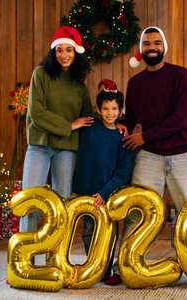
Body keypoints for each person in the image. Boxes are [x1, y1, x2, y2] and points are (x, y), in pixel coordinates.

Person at [105, 26, 187, 286]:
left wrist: (144, 136)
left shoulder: (180, 75)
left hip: (183, 155)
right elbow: (130, 119)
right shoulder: (135, 83)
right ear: (141, 50)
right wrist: (120, 126)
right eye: (147, 44)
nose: (152, 47)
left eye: (157, 43)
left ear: (164, 46)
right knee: (137, 212)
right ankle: (123, 267)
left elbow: (180, 119)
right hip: (149, 157)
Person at [20, 26, 94, 234]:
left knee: (61, 205)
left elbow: (89, 117)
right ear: (53, 52)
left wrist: (115, 121)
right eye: (59, 50)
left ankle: (56, 258)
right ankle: (26, 258)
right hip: (39, 146)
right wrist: (69, 125)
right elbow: (36, 112)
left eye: (69, 50)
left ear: (75, 53)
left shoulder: (79, 85)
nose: (64, 55)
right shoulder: (40, 74)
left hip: (67, 149)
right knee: (31, 201)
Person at [72, 79, 131, 280]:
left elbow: (122, 173)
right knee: (88, 230)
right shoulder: (89, 127)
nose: (110, 113)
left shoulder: (122, 137)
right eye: (105, 108)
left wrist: (105, 192)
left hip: (107, 194)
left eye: (114, 108)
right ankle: (92, 266)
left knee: (108, 233)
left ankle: (105, 269)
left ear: (121, 110)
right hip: (86, 192)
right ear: (99, 109)